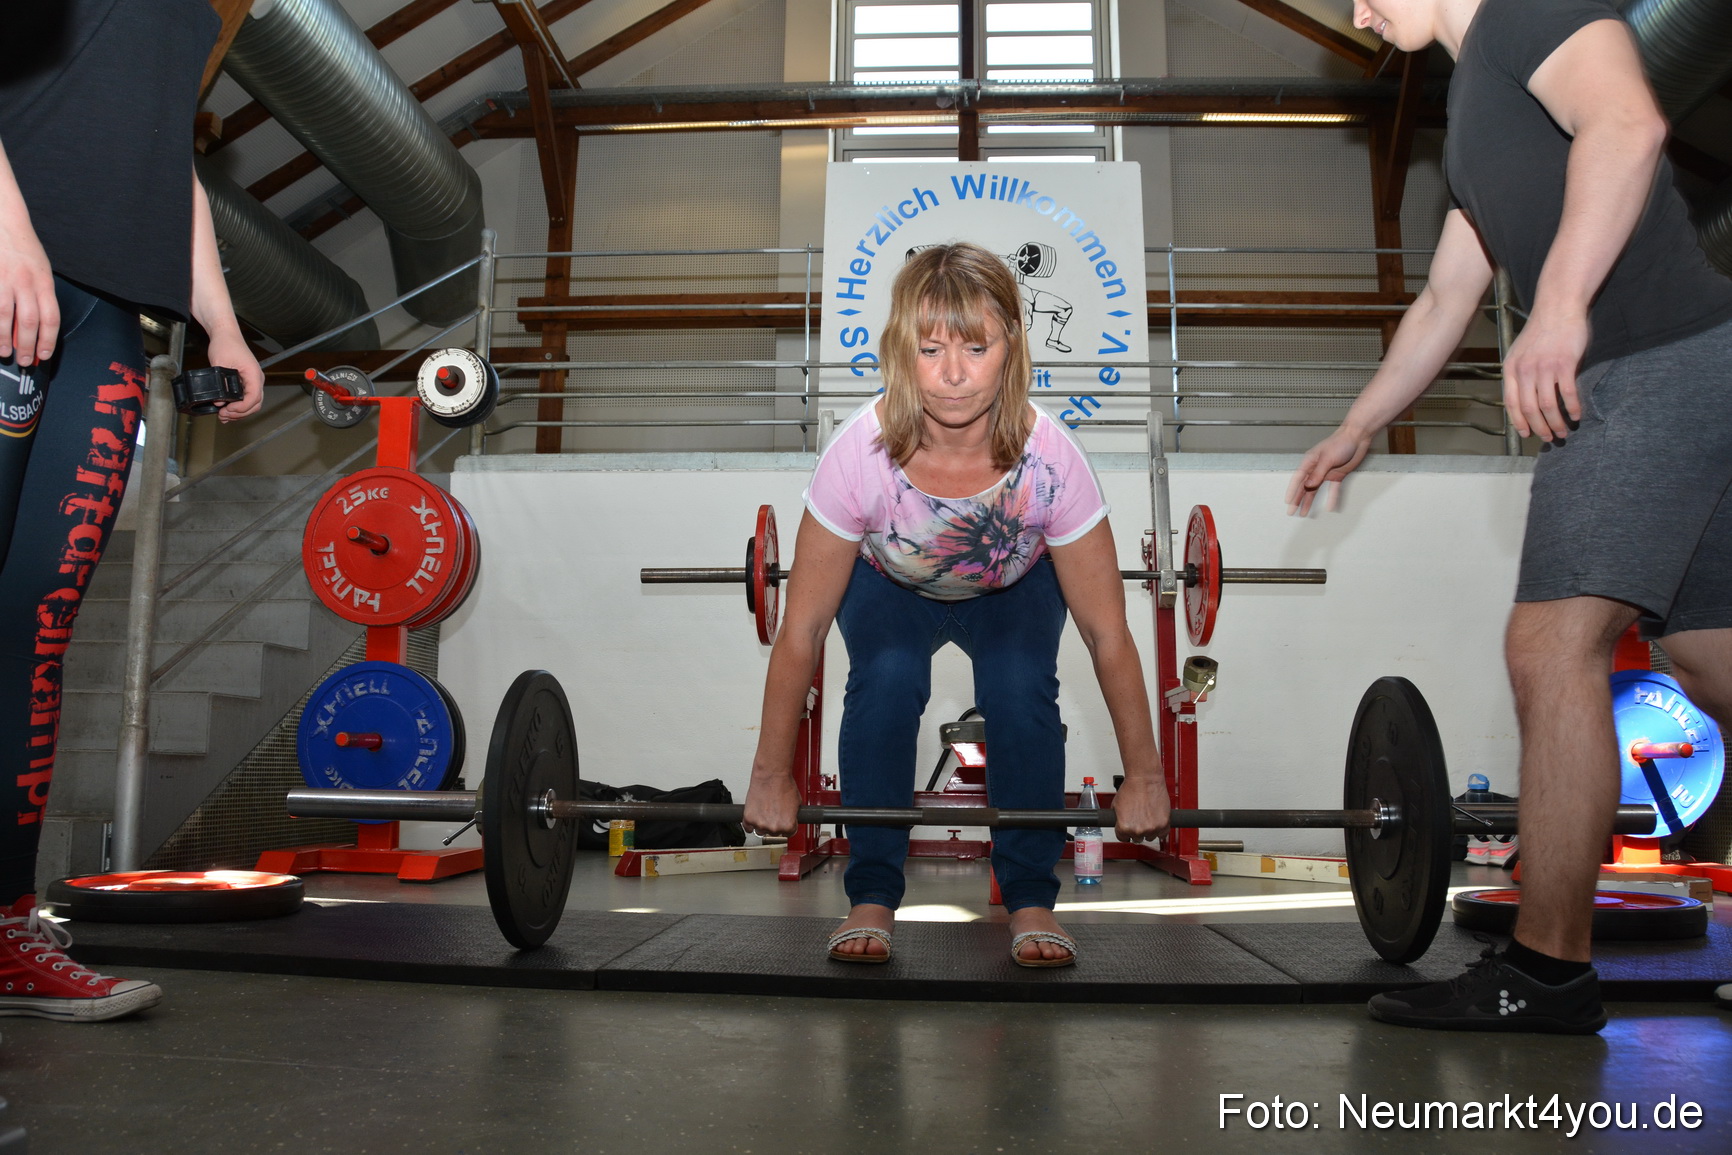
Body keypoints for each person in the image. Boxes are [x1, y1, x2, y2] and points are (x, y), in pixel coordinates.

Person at [1289, 0, 1732, 1033]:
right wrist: (1357, 425)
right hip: (1696, 368)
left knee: (1549, 646)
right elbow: (1445, 299)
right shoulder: (1473, 107)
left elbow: (1628, 123)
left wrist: (1563, 309)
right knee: (1712, 665)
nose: (1357, 13)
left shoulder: (1527, 12)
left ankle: (1544, 973)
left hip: (1643, 369)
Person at [741, 242, 1169, 967]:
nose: (952, 373)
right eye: (930, 348)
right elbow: (803, 627)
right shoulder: (859, 455)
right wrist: (770, 772)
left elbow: (1107, 633)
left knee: (1016, 684)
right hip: (891, 585)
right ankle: (872, 894)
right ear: (900, 349)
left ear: (1011, 347)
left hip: (1012, 586)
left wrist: (1147, 776)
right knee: (885, 677)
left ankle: (1030, 897)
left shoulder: (1052, 462)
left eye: (976, 346)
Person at [1, 0, 264, 1021]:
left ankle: (8, 924)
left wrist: (222, 325)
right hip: (14, 273)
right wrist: (10, 229)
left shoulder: (192, 13)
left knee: (35, 624)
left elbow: (164, 161)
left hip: (108, 315)